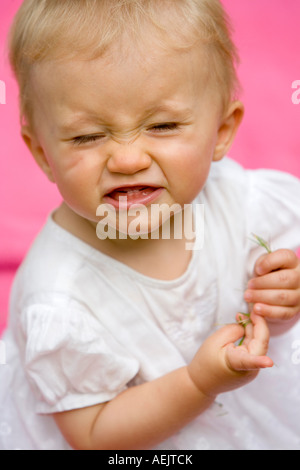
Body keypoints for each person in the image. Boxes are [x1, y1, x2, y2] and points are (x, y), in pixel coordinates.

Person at [0, 0, 299, 450]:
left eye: (161, 125)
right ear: (43, 153)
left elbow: (265, 306)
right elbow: (94, 434)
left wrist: (282, 299)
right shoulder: (59, 297)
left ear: (220, 131)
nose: (127, 159)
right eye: (88, 136)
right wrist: (199, 383)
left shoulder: (239, 201)